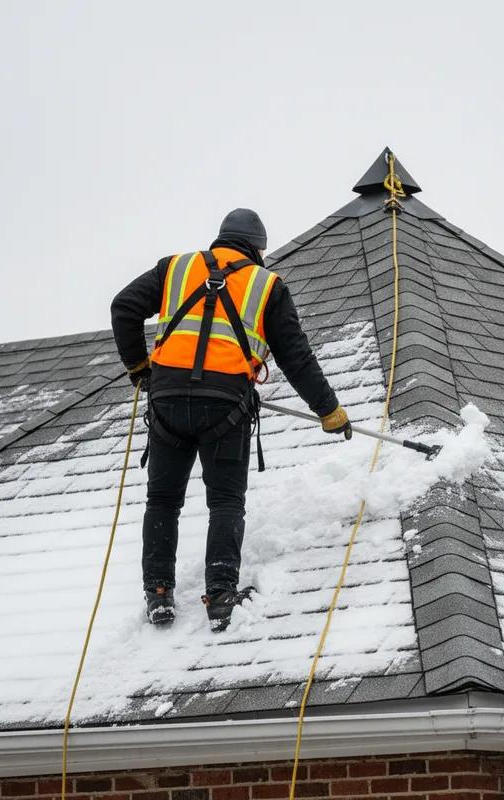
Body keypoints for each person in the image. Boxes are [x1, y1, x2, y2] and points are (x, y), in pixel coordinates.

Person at [111, 208, 351, 631]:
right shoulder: (266, 285)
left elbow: (124, 307)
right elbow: (296, 358)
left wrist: (139, 369)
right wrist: (328, 410)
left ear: (220, 239)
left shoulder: (176, 268)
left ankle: (159, 594)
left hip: (166, 400)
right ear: (258, 249)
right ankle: (221, 596)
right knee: (224, 501)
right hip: (225, 406)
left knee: (162, 500)